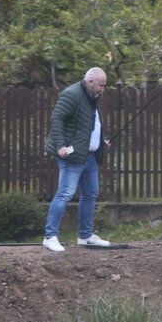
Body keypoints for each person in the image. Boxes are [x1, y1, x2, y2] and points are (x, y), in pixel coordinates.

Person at [42, 67, 112, 252]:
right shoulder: (72, 94)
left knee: (90, 193)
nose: (102, 89)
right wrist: (60, 146)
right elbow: (57, 118)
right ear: (90, 82)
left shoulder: (91, 97)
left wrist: (99, 141)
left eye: (104, 86)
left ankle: (85, 236)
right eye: (100, 85)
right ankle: (50, 236)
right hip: (72, 156)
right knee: (65, 193)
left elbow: (87, 124)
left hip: (88, 156)